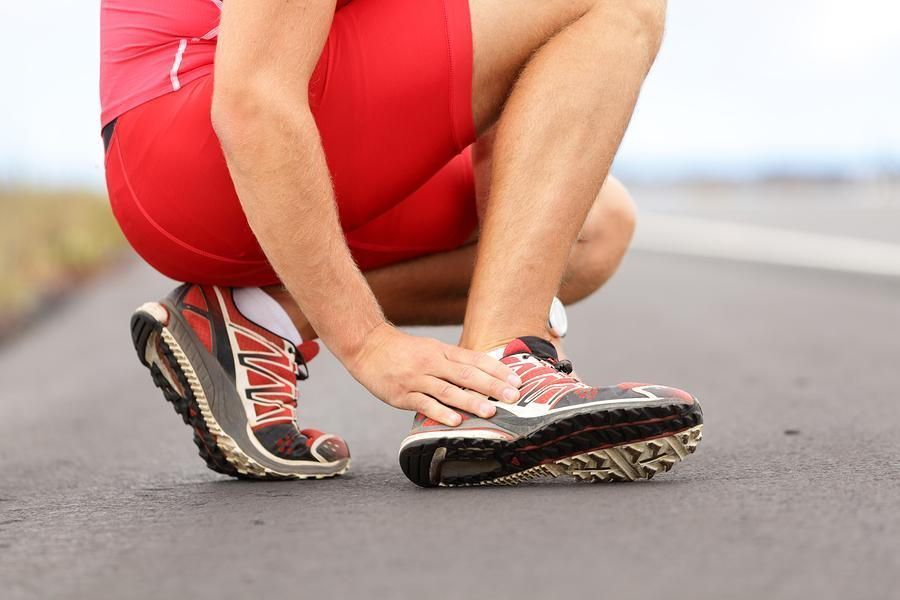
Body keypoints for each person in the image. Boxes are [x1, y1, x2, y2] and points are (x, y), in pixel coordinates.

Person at [101, 0, 703, 486]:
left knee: (592, 229)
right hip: (196, 145)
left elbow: (506, 80)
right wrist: (366, 342)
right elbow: (254, 99)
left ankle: (257, 318)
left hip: (211, 170)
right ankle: (498, 376)